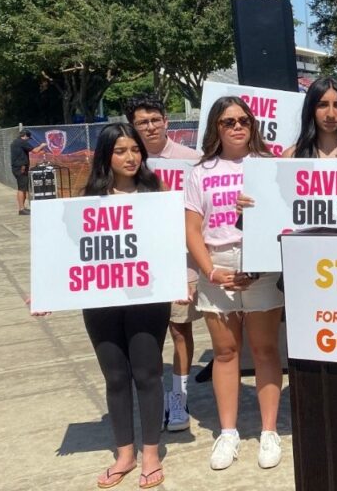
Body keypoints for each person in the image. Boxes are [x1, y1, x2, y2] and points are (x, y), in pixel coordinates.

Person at [30, 123, 170, 489]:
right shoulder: (86, 201)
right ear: (107, 155)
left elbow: (170, 249)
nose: (130, 157)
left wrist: (179, 280)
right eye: (121, 150)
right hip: (100, 300)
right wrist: (45, 291)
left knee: (147, 373)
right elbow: (68, 254)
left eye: (135, 149)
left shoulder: (157, 195)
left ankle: (151, 453)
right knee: (116, 376)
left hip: (147, 299)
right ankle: (125, 453)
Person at [184, 96, 285, 471]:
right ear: (216, 127)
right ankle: (228, 433)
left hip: (260, 264)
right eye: (229, 122)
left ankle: (269, 431)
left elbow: (284, 213)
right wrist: (209, 271)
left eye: (244, 120)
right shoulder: (200, 171)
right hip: (218, 265)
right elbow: (192, 230)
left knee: (264, 351)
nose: (238, 126)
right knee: (225, 352)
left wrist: (259, 223)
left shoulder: (267, 164)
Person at [124, 95, 202, 433]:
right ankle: (151, 396)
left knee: (179, 329)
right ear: (133, 126)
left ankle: (178, 397)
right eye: (142, 122)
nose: (150, 126)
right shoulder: (126, 162)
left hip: (181, 262)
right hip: (137, 264)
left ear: (166, 121)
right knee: (145, 335)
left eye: (155, 119)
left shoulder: (192, 160)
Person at [9, 130, 46, 215]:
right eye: (28, 138)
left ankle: (23, 208)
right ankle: (21, 209)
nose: (28, 140)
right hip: (21, 168)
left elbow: (27, 152)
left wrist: (40, 151)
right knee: (21, 189)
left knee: (23, 188)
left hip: (18, 168)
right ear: (25, 136)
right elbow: (35, 150)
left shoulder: (16, 142)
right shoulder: (22, 142)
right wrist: (42, 146)